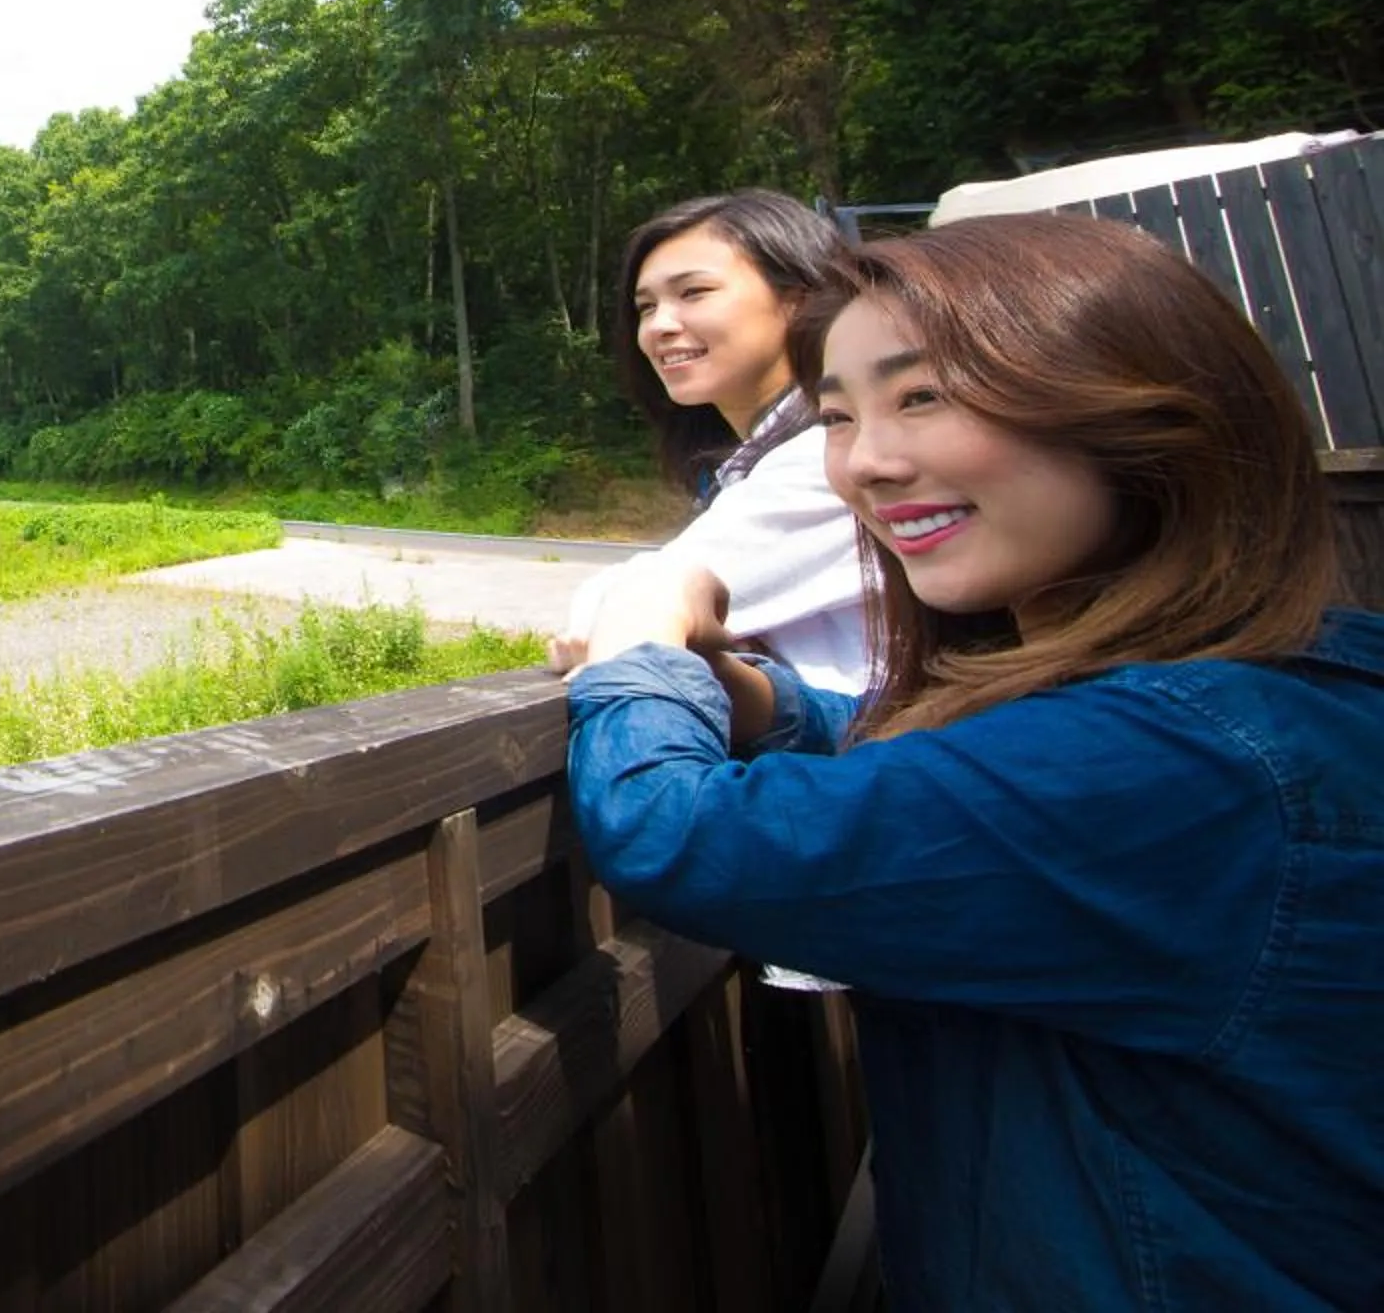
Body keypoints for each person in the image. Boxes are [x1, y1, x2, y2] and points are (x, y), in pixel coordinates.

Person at [566, 214, 1384, 1308]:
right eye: (840, 417)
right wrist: (763, 701)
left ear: (1137, 409)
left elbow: (676, 833)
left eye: (925, 396)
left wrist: (641, 642)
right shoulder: (1260, 688)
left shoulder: (1172, 760)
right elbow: (976, 772)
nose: (868, 463)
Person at [548, 190, 866, 693]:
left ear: (800, 300)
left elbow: (640, 600)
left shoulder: (833, 459)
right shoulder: (757, 463)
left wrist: (619, 615)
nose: (659, 326)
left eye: (694, 292)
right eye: (646, 307)